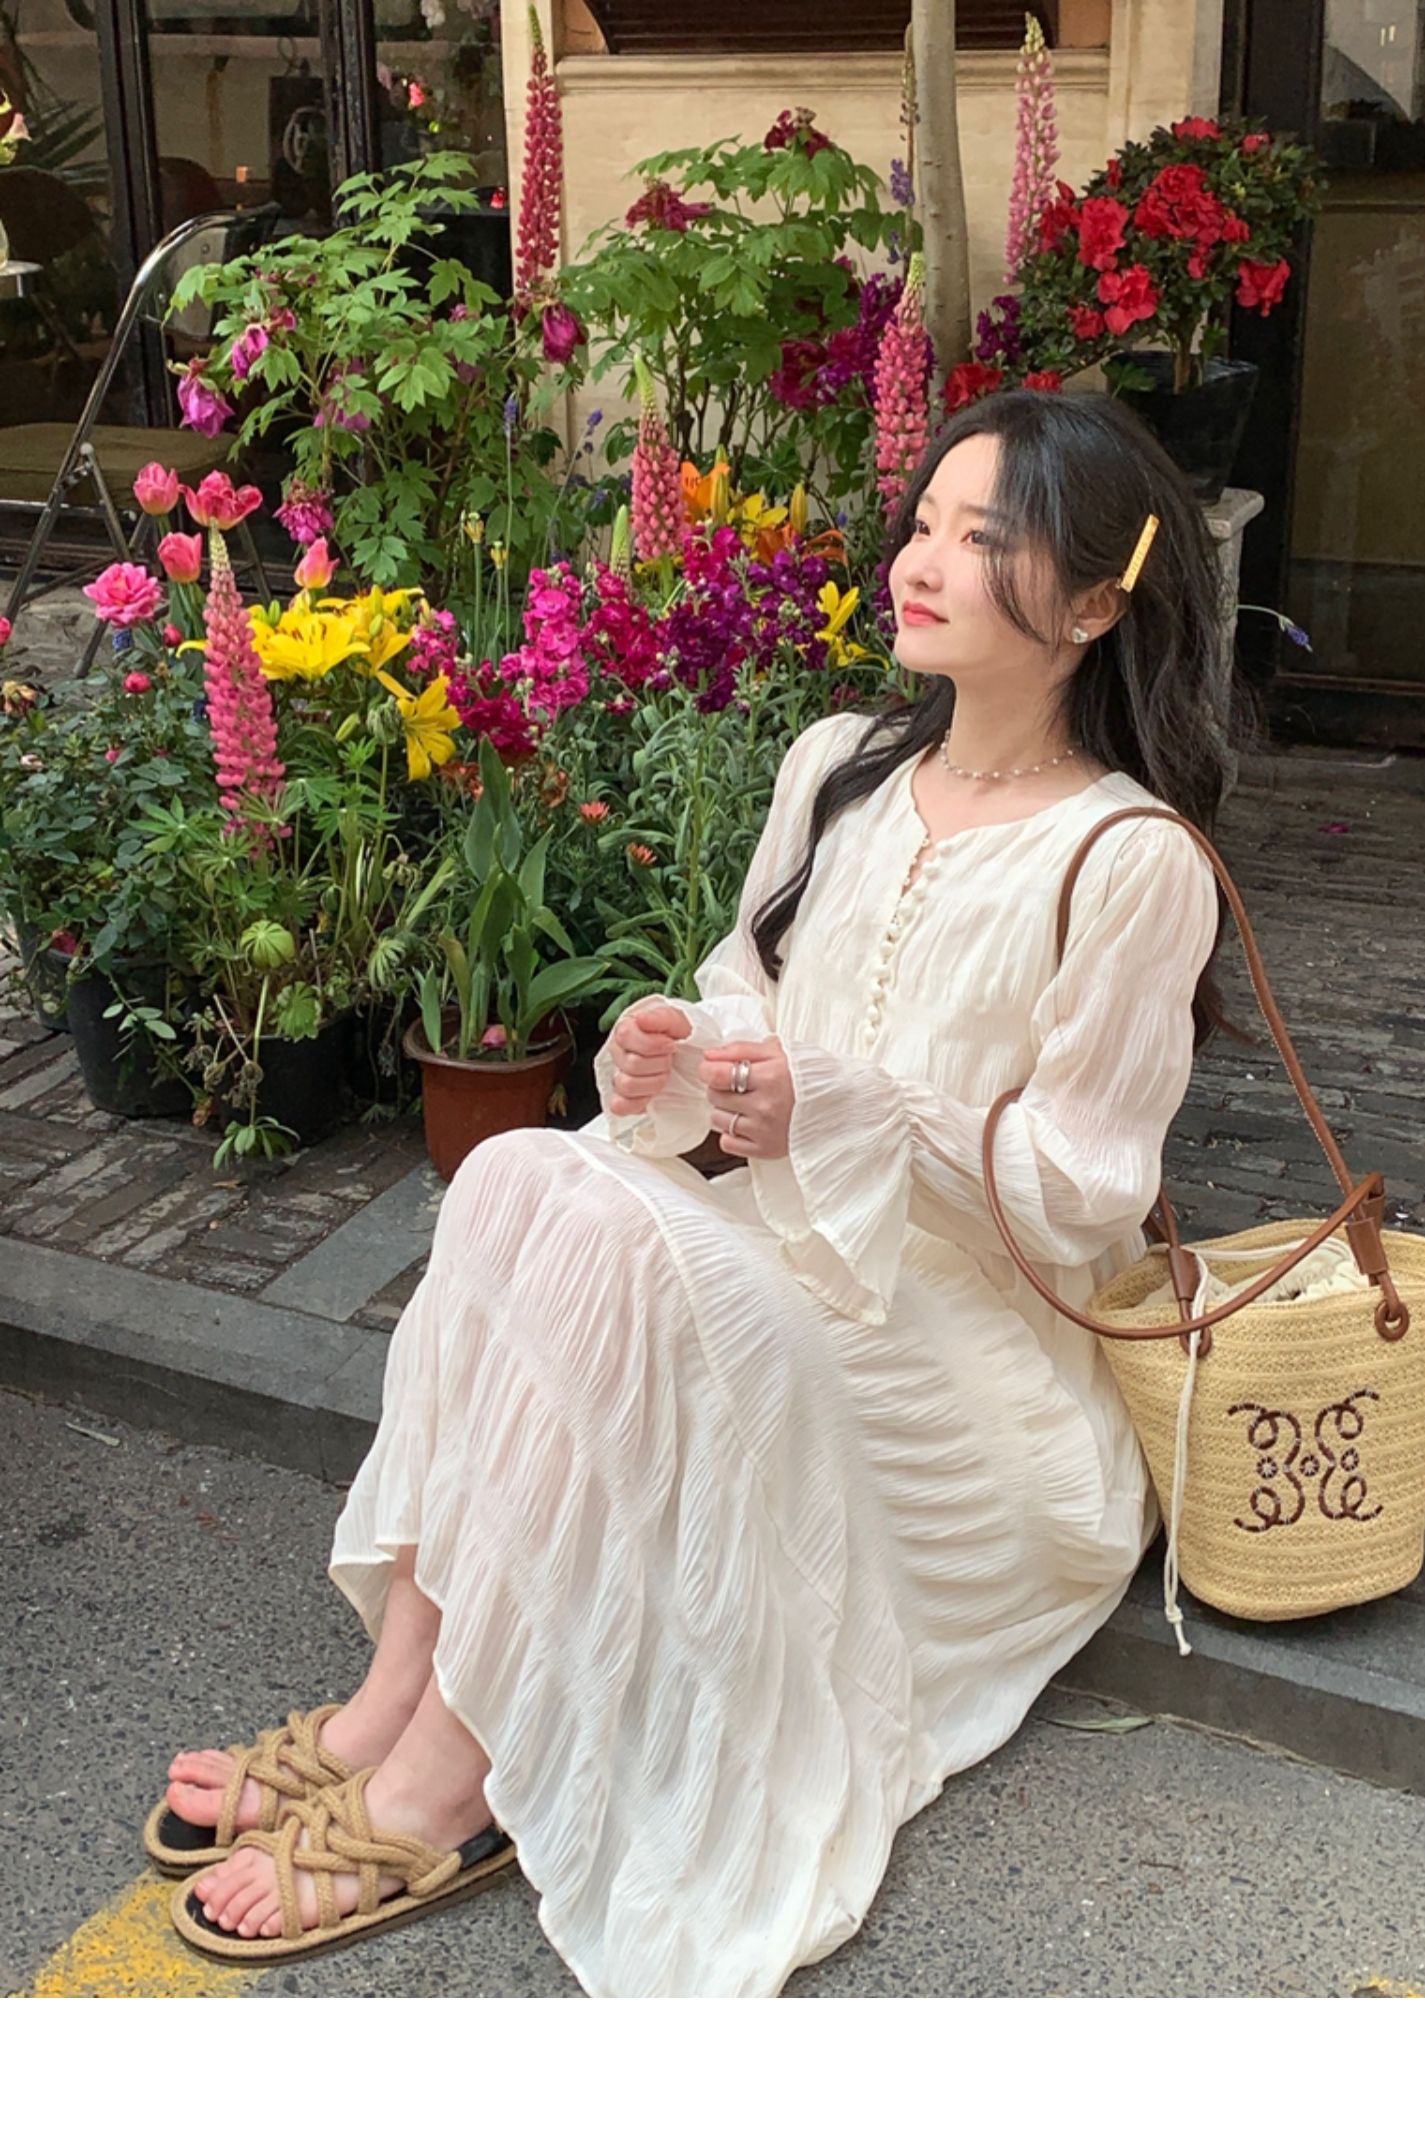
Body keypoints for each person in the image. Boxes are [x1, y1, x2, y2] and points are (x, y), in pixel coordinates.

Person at [153, 388, 1248, 1994]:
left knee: (598, 1231)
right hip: (785, 1246)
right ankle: (395, 1702)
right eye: (924, 522)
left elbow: (1086, 1189)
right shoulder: (836, 768)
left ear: (1092, 604)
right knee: (522, 1174)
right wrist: (685, 1051)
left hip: (966, 1360)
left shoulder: (1133, 856)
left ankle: (445, 1782)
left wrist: (855, 1107)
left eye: (982, 538)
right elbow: (749, 987)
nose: (920, 561)